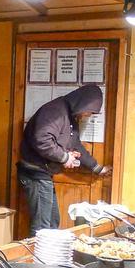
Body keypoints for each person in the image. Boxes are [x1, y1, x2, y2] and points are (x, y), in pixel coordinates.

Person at [18, 84, 112, 234]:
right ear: (82, 103)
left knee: (52, 222)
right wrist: (64, 157)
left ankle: (48, 256)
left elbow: (75, 145)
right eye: (89, 111)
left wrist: (96, 167)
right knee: (42, 227)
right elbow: (42, 139)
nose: (88, 115)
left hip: (43, 174)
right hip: (35, 173)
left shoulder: (70, 116)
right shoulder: (55, 111)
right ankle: (37, 257)